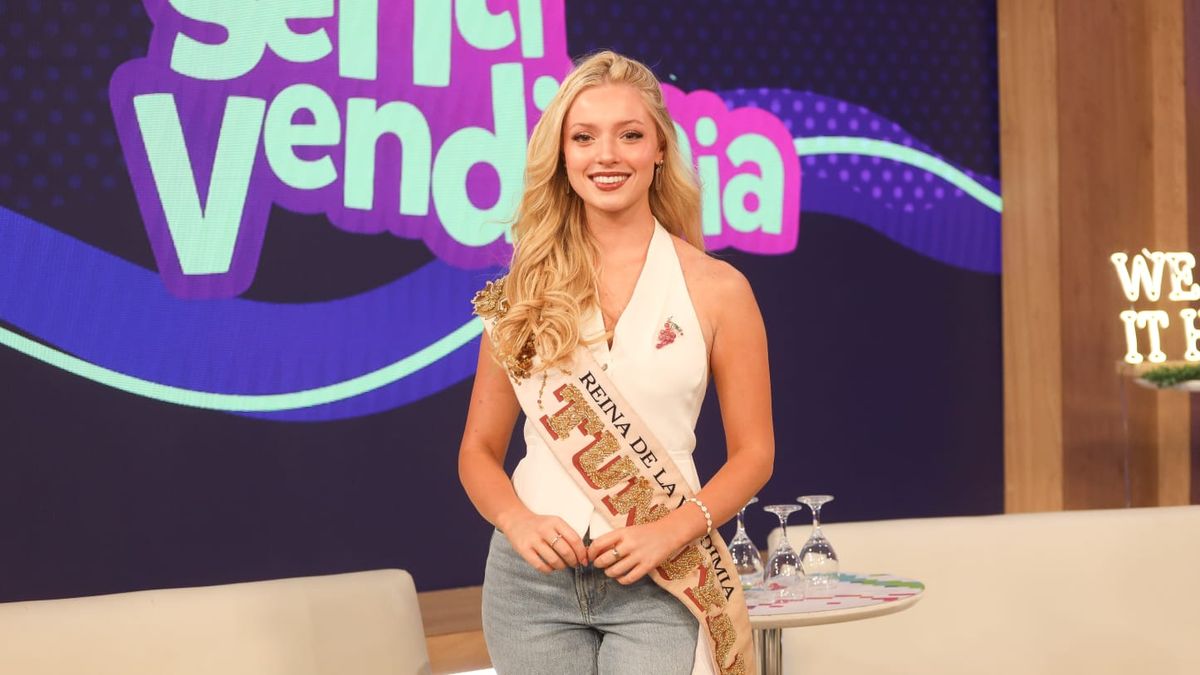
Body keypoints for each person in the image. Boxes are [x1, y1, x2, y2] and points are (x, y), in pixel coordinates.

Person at [457, 50, 774, 675]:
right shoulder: (523, 289)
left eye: (630, 135)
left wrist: (673, 530)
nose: (607, 155)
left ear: (659, 150)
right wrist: (516, 520)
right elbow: (477, 451)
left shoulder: (718, 288)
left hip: (662, 576)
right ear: (563, 155)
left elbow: (755, 454)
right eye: (584, 137)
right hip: (529, 588)